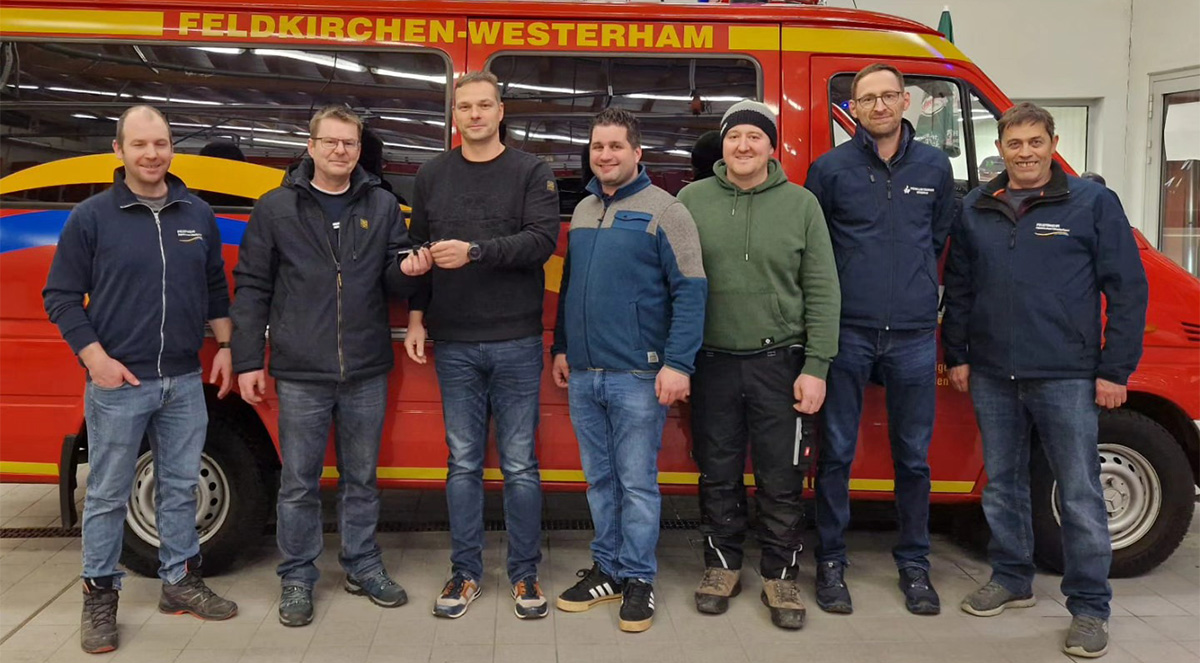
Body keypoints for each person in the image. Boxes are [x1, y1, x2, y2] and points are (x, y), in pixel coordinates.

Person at [944, 102, 1148, 659]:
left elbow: (1128, 289)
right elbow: (959, 285)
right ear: (1000, 150)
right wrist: (957, 353)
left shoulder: (1092, 203)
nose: (1026, 153)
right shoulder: (977, 206)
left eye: (1036, 142)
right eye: (1015, 144)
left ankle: (1090, 607)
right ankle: (1012, 578)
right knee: (1002, 485)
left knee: (1080, 493)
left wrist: (1115, 369)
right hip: (992, 372)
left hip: (1066, 374)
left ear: (1053, 144)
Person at [43, 105, 238, 654]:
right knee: (107, 495)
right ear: (119, 150)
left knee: (180, 487)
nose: (152, 154)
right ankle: (99, 596)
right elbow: (60, 296)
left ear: (172, 147)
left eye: (161, 143)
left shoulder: (197, 214)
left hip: (183, 378)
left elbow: (215, 289)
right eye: (140, 144)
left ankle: (179, 583)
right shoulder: (92, 217)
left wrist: (226, 347)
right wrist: (96, 360)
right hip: (119, 383)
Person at [231, 105, 419, 627]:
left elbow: (394, 281)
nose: (341, 150)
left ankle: (362, 564)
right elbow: (252, 286)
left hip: (365, 368)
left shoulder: (382, 205)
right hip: (300, 371)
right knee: (299, 483)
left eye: (350, 143)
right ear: (310, 146)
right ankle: (297, 576)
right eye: (331, 141)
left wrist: (410, 269)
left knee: (362, 478)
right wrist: (247, 359)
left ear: (360, 150)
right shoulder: (275, 208)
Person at [400, 71, 560, 620]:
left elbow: (541, 242)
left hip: (516, 338)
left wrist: (474, 252)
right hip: (454, 341)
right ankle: (465, 572)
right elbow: (418, 248)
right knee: (463, 463)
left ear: (500, 112)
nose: (474, 115)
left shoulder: (531, 171)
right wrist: (416, 316)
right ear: (454, 116)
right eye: (464, 106)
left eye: (484, 105)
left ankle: (524, 574)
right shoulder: (431, 175)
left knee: (520, 465)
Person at [677, 100, 840, 630]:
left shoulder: (802, 205)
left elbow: (822, 289)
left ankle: (780, 575)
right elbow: (671, 285)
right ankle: (721, 567)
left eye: (754, 136)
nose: (743, 146)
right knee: (717, 471)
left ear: (772, 147)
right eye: (734, 137)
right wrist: (678, 360)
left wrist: (816, 365)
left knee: (781, 476)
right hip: (711, 363)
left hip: (780, 362)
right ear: (722, 145)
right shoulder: (691, 201)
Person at [805, 63, 956, 616]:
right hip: (847, 332)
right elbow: (816, 251)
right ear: (854, 108)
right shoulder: (830, 169)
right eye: (867, 99)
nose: (879, 106)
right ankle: (830, 561)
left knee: (913, 458)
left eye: (888, 95)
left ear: (905, 101)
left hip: (914, 335)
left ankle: (915, 564)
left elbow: (937, 238)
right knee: (836, 453)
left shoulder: (935, 166)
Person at [550, 107, 707, 633]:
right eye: (597, 146)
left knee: (636, 483)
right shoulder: (583, 210)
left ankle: (638, 578)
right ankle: (608, 570)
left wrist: (678, 363)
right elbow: (570, 286)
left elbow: (691, 291)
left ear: (637, 152)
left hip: (639, 375)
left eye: (616, 146)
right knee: (600, 480)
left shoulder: (667, 210)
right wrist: (562, 347)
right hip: (585, 373)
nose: (605, 155)